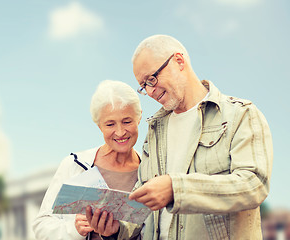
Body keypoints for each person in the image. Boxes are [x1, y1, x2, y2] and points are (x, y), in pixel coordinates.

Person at [86, 35, 273, 239]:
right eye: (143, 86)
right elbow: (143, 208)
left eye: (152, 79)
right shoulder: (155, 130)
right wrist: (116, 229)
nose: (149, 91)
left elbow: (254, 185)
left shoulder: (240, 115)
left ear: (179, 61)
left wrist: (177, 189)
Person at [32, 80, 142, 240]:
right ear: (99, 126)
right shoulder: (74, 165)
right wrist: (75, 229)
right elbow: (41, 226)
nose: (120, 132)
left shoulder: (150, 170)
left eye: (127, 121)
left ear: (139, 118)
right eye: (110, 124)